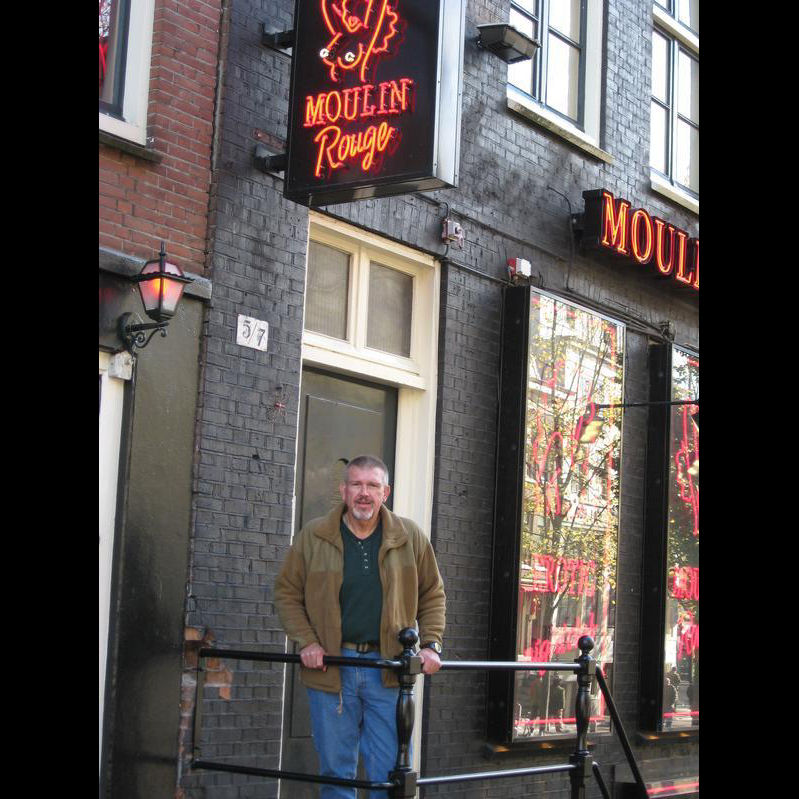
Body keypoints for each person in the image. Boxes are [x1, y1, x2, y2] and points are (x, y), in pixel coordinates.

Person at [275, 455, 446, 798]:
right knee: (337, 773)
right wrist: (307, 641)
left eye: (372, 485)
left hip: (389, 669)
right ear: (344, 490)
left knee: (390, 773)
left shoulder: (410, 536)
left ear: (385, 492)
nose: (364, 493)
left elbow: (432, 594)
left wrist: (431, 644)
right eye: (356, 484)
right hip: (332, 668)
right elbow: (287, 593)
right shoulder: (313, 536)